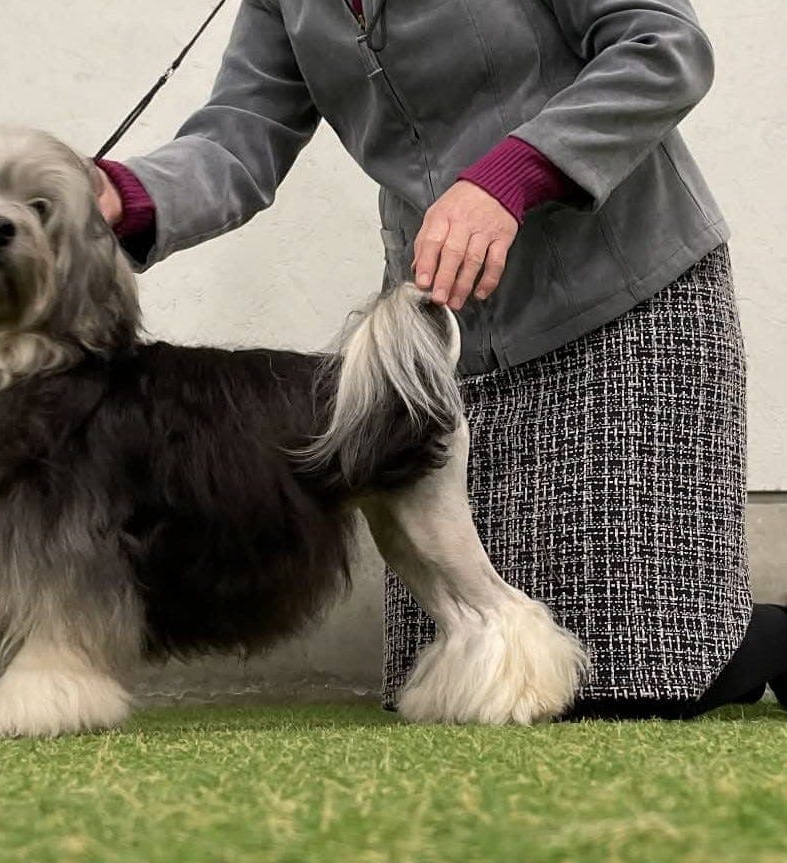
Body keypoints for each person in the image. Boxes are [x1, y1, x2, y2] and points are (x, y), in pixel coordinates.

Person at [92, 0, 786, 718]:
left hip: (624, 301)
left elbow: (663, 45)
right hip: (448, 339)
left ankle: (765, 638)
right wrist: (122, 194)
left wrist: (511, 174)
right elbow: (240, 137)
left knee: (644, 679)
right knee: (471, 664)